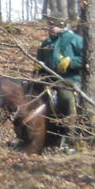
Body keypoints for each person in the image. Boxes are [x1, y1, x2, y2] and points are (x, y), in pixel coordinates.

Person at [36, 18, 85, 151]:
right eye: (48, 26)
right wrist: (38, 67)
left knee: (66, 98)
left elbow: (86, 58)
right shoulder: (46, 42)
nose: (49, 29)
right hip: (48, 78)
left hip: (69, 78)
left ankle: (71, 139)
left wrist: (71, 61)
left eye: (52, 26)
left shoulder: (75, 39)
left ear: (61, 26)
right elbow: (39, 60)